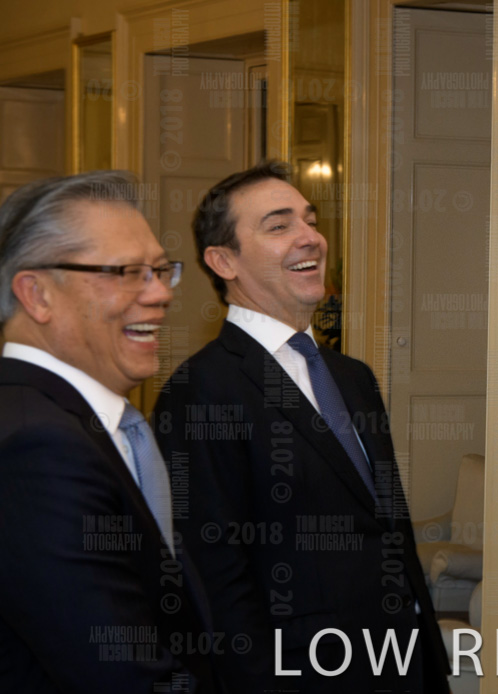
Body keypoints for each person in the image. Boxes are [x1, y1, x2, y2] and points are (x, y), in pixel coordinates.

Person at [153, 162, 448, 693]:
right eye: (279, 225)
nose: (310, 237)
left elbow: (389, 532)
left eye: (310, 220)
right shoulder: (201, 390)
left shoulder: (352, 377)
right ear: (223, 261)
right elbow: (215, 575)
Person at [0, 171, 217, 691]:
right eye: (126, 272)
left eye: (160, 271)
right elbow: (119, 674)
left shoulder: (76, 422)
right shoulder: (39, 447)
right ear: (36, 294)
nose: (160, 293)